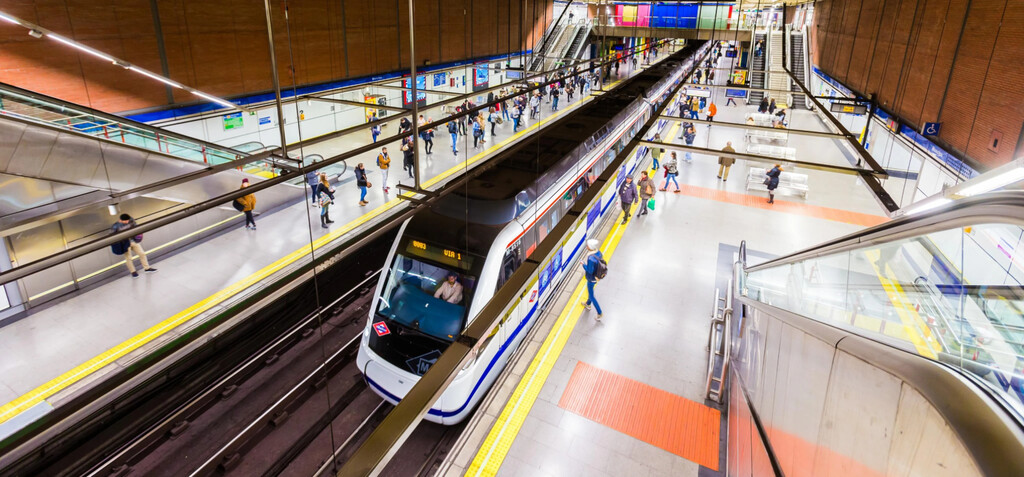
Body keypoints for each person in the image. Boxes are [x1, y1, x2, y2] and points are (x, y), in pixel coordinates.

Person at [580, 239, 604, 320]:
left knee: (591, 295)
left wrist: (583, 264)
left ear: (590, 247)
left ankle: (599, 313)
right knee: (590, 291)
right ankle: (588, 304)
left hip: (591, 278)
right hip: (597, 276)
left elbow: (590, 271)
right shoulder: (598, 253)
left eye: (587, 246)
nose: (586, 247)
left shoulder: (590, 258)